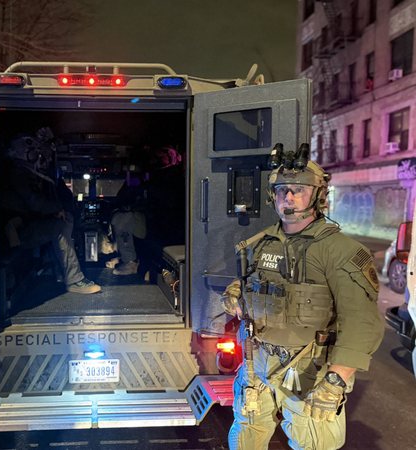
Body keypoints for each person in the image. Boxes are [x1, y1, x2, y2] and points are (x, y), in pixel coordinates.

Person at [221, 143, 384, 449]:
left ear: (318, 196)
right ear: (273, 196)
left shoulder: (340, 251)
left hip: (310, 368)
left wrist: (336, 379)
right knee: (246, 436)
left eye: (299, 190)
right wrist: (236, 293)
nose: (289, 197)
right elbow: (253, 284)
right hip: (258, 362)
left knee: (312, 441)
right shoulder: (262, 244)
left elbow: (361, 321)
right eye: (282, 190)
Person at [0, 133, 101, 294]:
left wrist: (57, 209)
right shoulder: (17, 172)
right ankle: (74, 280)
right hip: (17, 230)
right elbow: (33, 200)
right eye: (28, 147)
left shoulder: (24, 171)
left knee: (64, 221)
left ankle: (63, 273)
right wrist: (56, 209)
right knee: (61, 226)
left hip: (24, 224)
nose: (33, 152)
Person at [108, 145, 184, 275]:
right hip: (152, 218)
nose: (156, 160)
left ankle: (130, 262)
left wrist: (139, 205)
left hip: (165, 222)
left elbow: (164, 201)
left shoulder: (172, 177)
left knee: (122, 220)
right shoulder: (149, 176)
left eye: (162, 156)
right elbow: (127, 195)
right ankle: (127, 258)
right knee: (120, 217)